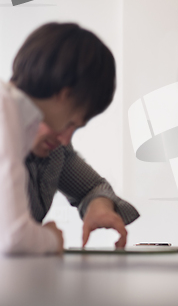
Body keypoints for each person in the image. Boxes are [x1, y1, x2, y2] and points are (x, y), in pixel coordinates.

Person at [0, 22, 118, 255]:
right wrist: (53, 238)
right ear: (65, 96)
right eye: (73, 122)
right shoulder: (6, 111)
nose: (65, 138)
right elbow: (13, 236)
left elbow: (93, 186)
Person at [26, 122, 140, 249]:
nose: (65, 139)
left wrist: (100, 205)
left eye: (72, 126)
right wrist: (48, 239)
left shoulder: (56, 149)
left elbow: (93, 187)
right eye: (58, 121)